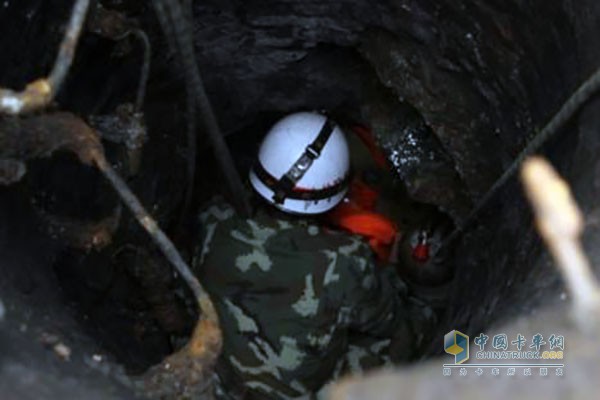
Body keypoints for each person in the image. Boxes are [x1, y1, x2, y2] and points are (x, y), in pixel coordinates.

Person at [193, 112, 438, 399]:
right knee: (407, 332)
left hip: (216, 377)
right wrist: (404, 275)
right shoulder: (342, 260)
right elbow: (389, 321)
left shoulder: (214, 219)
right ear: (338, 192)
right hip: (292, 393)